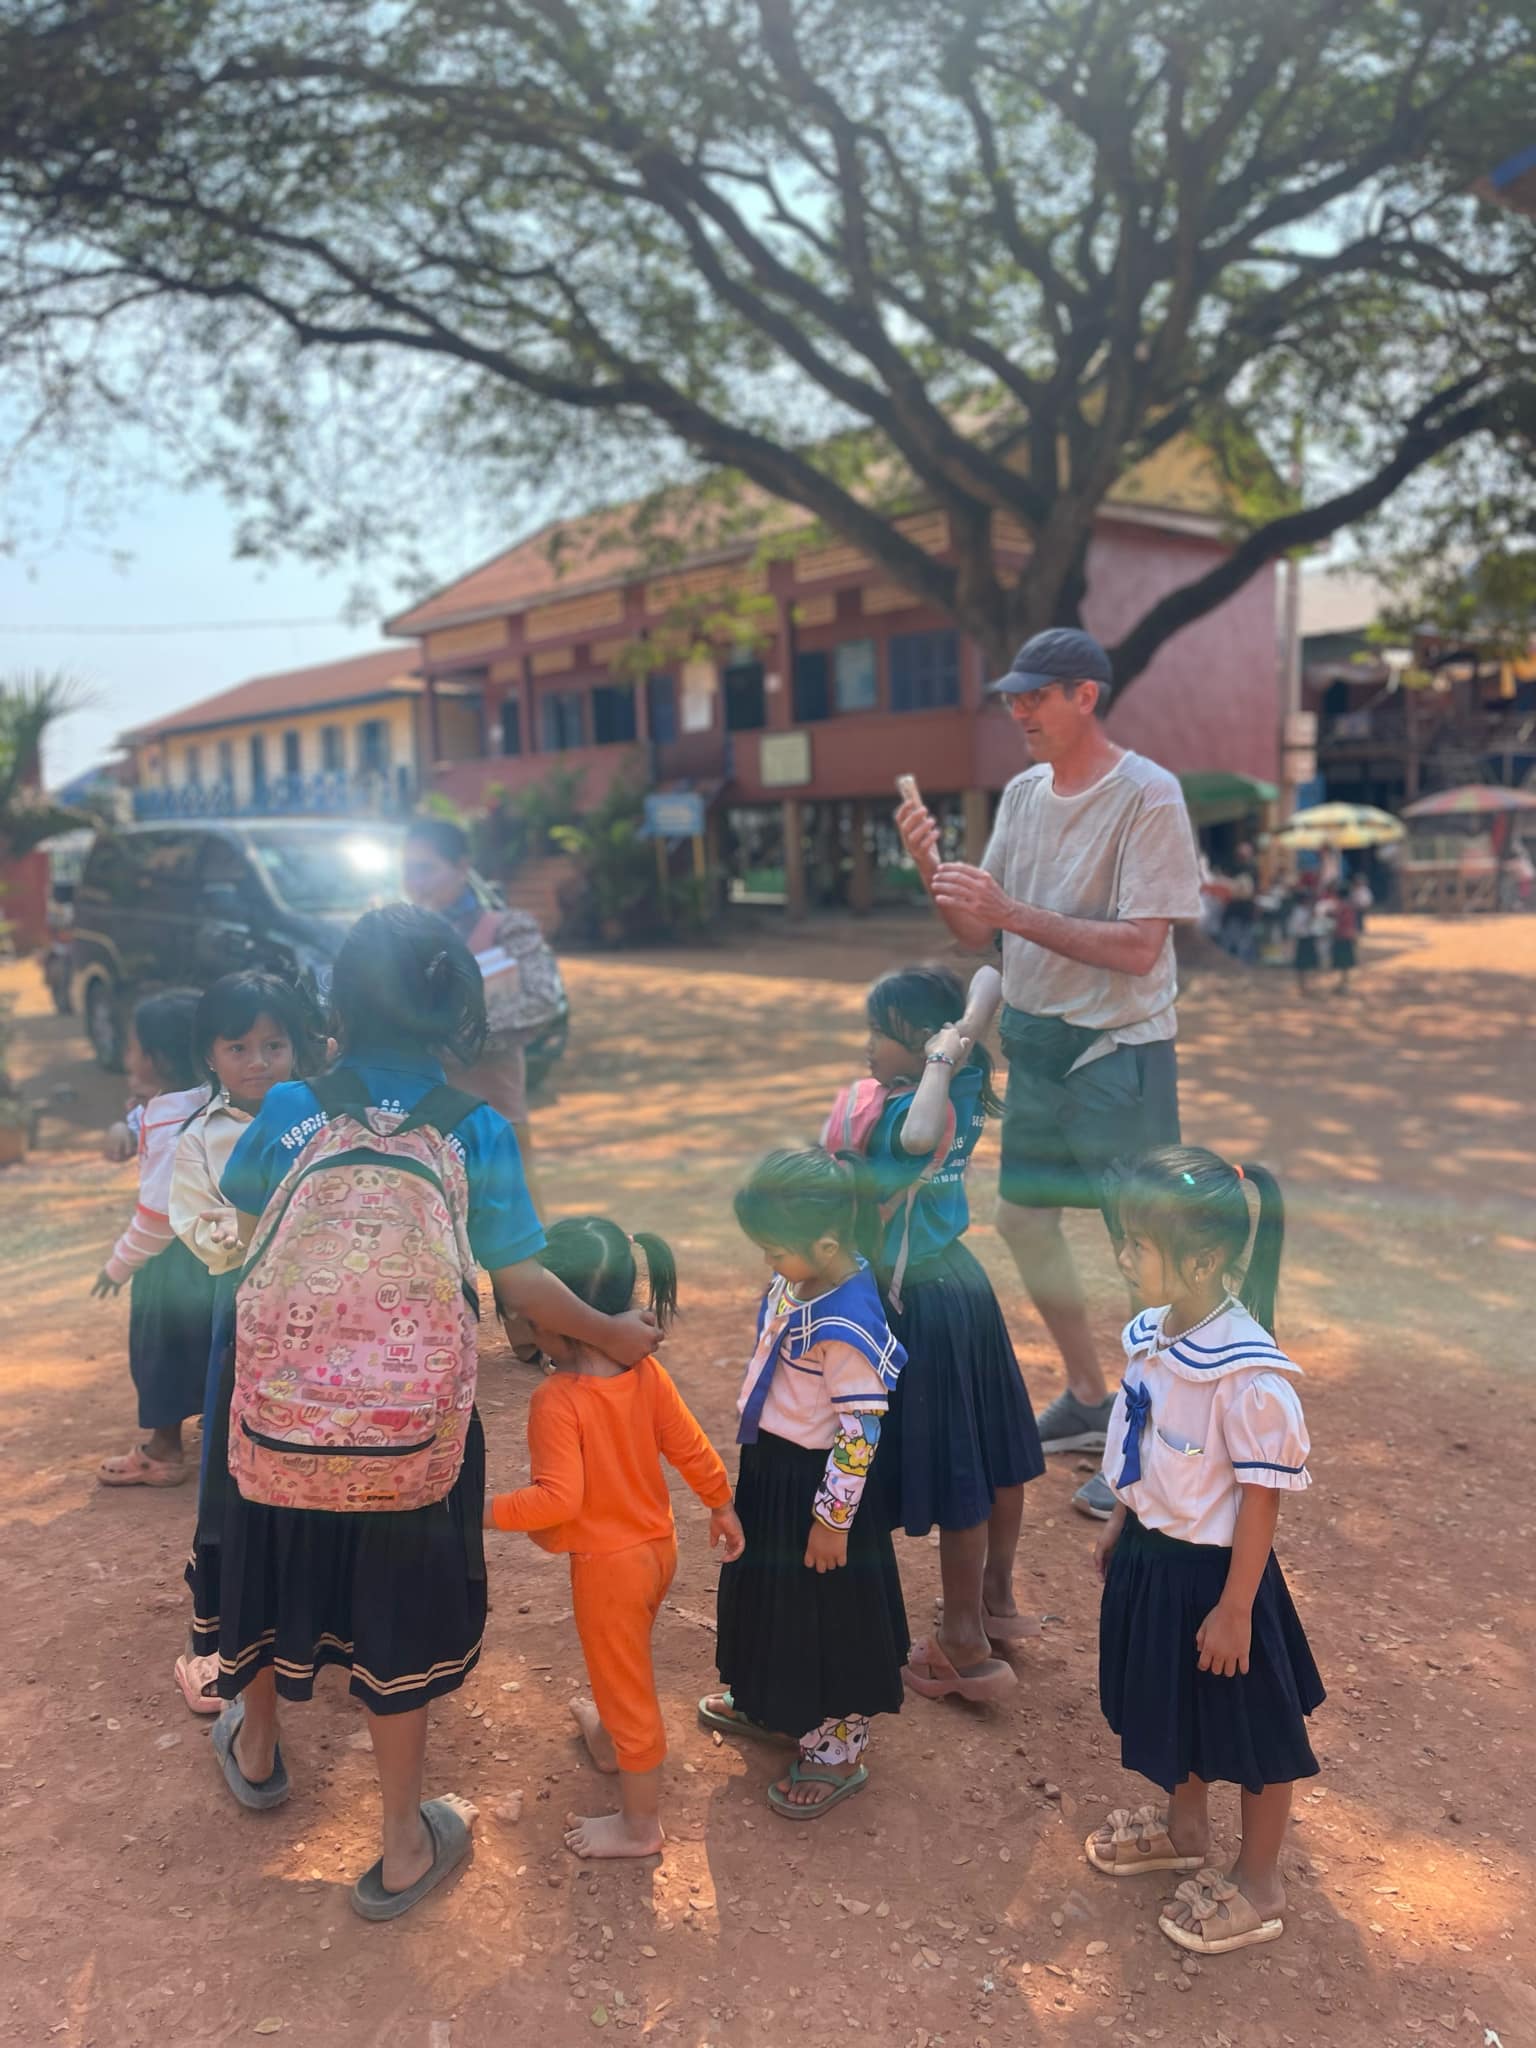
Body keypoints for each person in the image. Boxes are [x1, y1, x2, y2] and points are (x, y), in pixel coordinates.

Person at [196, 904, 659, 1923]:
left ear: (333, 1005)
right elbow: (523, 1279)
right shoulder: (474, 1122)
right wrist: (614, 1332)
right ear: (458, 1003)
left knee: (264, 1557)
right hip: (412, 1430)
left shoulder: (290, 1103)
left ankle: (261, 1745)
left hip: (281, 1411)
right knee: (397, 1608)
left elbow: (245, 1207)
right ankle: (403, 1840)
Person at [896, 628, 1203, 1520]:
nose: (1018, 711)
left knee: (1149, 1251)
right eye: (1012, 697)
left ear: (1086, 697)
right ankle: (1087, 1397)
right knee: (1024, 1220)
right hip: (1037, 1050)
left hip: (1116, 1057)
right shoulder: (1025, 795)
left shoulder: (1147, 796)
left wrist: (1009, 912)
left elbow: (1143, 948)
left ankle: (1152, 1446)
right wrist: (933, 870)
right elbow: (979, 932)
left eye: (1036, 695)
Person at [1087, 1146, 1323, 1957]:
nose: (1123, 1259)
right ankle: (1185, 1827)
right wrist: (1123, 1522)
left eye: (1137, 1246)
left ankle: (1260, 1879)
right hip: (1156, 1560)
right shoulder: (1153, 1335)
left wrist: (1235, 1608)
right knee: (1170, 1705)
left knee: (1255, 1730)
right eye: (1124, 1240)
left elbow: (1261, 1499)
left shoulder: (1248, 1376)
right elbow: (1140, 1438)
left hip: (1221, 1581)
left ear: (1206, 1257)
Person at [486, 1217, 745, 1860]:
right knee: (622, 1663)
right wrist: (720, 1503)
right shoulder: (643, 1373)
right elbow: (687, 1444)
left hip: (609, 1568)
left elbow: (557, 1500)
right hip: (658, 1552)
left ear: (559, 1317)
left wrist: (478, 1512)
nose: (522, 1324)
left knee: (630, 1689)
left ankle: (639, 1826)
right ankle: (607, 1734)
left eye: (527, 1312)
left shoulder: (557, 1399)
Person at [833, 964, 1044, 1700]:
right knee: (996, 1455)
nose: (865, 1048)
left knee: (962, 1467)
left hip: (917, 1295)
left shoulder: (907, 1111)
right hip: (963, 1280)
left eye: (877, 1034)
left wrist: (940, 1050)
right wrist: (952, 1042)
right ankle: (996, 1599)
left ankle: (961, 1640)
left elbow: (918, 1137)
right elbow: (988, 975)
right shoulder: (958, 1087)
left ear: (920, 1042)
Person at [705, 1150, 909, 1818]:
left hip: (818, 1490)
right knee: (773, 1597)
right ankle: (774, 1701)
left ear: (825, 1244)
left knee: (826, 1617)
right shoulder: (802, 1282)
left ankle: (836, 1748)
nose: (769, 1264)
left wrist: (831, 1521)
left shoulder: (849, 1322)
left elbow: (861, 1432)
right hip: (774, 1467)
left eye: (774, 1252)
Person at [171, 972, 320, 1715]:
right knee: (232, 1469)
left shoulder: (326, 1118)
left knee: (320, 1459)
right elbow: (206, 1235)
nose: (258, 1060)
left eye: (274, 1044)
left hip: (326, 1322)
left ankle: (315, 1623)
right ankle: (215, 1639)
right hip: (248, 1321)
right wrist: (278, 1229)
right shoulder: (199, 1140)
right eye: (239, 1046)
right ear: (210, 1055)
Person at [402, 815, 563, 1216]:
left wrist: (447, 1039)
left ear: (461, 867)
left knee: (517, 1240)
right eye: (407, 871)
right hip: (414, 1122)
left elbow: (542, 1001)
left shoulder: (506, 929)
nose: (415, 882)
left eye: (426, 869)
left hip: (494, 1114)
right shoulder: (397, 937)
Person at [92, 990, 216, 1488]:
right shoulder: (210, 1099)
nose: (127, 1057)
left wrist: (118, 1267)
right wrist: (126, 1126)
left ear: (158, 1059)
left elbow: (158, 1216)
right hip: (221, 1253)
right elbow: (147, 1122)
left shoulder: (168, 1121)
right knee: (215, 1344)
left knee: (161, 1352)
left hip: (171, 1265)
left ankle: (163, 1452)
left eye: (131, 1047)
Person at [1329, 884, 1359, 993]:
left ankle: (1343, 985)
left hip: (1340, 937)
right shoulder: (1350, 907)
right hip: (1348, 936)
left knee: (1342, 963)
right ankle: (1343, 984)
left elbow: (1337, 923)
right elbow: (1353, 924)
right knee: (1345, 963)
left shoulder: (1340, 907)